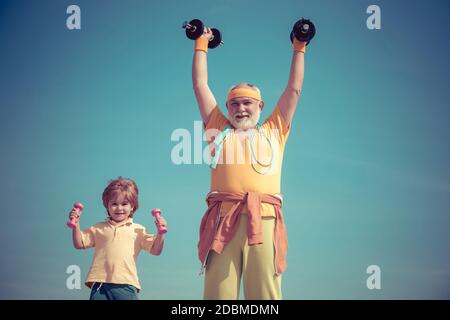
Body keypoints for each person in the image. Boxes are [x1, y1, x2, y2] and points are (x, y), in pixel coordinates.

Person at [191, 24, 307, 300]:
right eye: (234, 104)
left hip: (263, 219)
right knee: (219, 296)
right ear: (227, 108)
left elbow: (293, 90)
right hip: (223, 220)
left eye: (247, 103)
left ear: (260, 107)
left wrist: (299, 47)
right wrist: (200, 45)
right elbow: (200, 85)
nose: (241, 109)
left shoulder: (274, 130)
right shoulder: (218, 129)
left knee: (264, 296)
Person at [69, 177, 167, 300]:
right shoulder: (98, 228)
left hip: (126, 285)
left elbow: (156, 250)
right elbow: (79, 243)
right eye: (114, 204)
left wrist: (161, 233)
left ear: (132, 206)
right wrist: (76, 224)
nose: (119, 208)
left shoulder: (138, 230)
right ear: (107, 206)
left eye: (124, 204)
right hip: (100, 285)